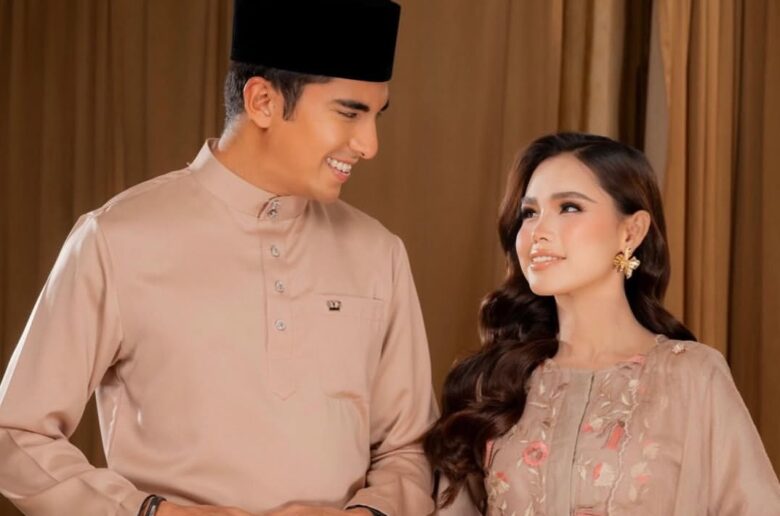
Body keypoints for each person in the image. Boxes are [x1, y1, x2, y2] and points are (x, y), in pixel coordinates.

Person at [0, 1, 437, 515]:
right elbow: (15, 433)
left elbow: (410, 449)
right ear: (263, 102)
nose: (369, 144)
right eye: (349, 112)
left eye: (376, 115)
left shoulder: (378, 253)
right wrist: (152, 513)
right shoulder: (118, 239)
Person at [423, 133, 780, 515]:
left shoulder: (691, 375)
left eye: (569, 207)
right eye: (529, 213)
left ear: (632, 231)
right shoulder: (494, 384)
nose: (538, 232)